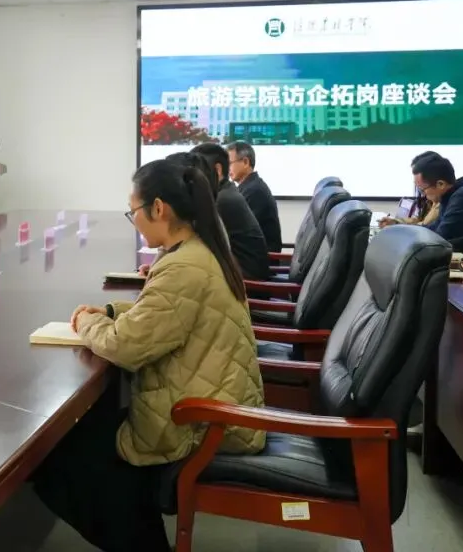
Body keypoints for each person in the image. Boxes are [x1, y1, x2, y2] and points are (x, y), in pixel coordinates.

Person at [32, 159, 264, 552]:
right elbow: (168, 313)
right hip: (207, 398)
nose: (134, 221)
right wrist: (111, 311)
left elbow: (125, 346)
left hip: (204, 421)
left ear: (159, 208)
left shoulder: (184, 267)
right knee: (92, 428)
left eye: (134, 211)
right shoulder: (198, 249)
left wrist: (87, 323)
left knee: (63, 457)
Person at [185, 143, 271, 280]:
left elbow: (197, 243)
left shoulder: (222, 200)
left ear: (217, 170)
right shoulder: (227, 191)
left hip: (245, 280)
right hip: (240, 272)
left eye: (197, 170)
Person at [226, 140, 282, 251]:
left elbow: (239, 231)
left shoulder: (255, 191)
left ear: (245, 162)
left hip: (260, 257)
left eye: (229, 163)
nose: (227, 169)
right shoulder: (249, 187)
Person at [412, 154, 463, 241]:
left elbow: (441, 236)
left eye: (422, 190)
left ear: (441, 184)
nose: (423, 195)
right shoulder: (448, 195)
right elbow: (435, 227)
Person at [379, 151, 442, 228]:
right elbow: (418, 220)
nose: (415, 181)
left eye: (417, 174)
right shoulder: (428, 199)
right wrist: (395, 222)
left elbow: (424, 225)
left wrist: (398, 225)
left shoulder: (439, 202)